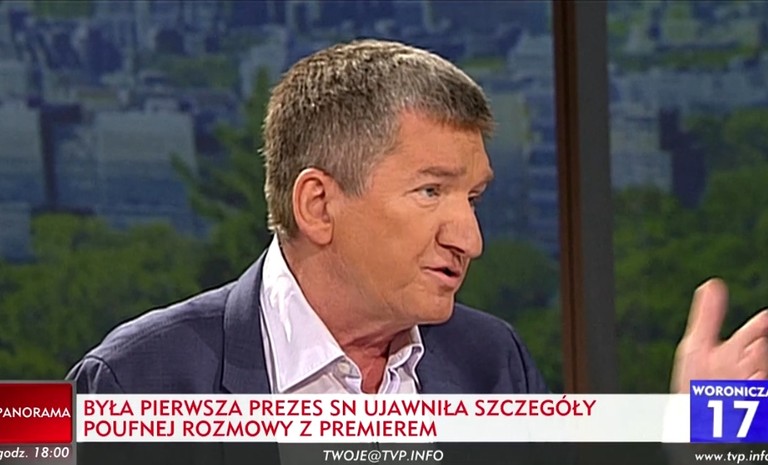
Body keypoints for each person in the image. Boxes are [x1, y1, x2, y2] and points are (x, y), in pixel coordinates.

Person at [66, 39, 768, 395]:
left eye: (474, 199)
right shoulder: (140, 379)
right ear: (318, 205)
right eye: (432, 192)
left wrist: (699, 438)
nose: (470, 239)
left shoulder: (492, 362)